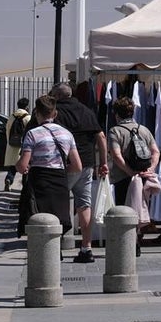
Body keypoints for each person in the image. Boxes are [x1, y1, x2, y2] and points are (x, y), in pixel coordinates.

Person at [47, 82, 107, 263]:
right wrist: (103, 163)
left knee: (57, 204)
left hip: (64, 165)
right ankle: (86, 248)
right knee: (84, 205)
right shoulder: (86, 111)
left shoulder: (56, 112)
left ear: (57, 96)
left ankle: (54, 247)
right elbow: (101, 137)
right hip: (87, 164)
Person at [16, 95, 82, 239]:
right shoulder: (67, 134)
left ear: (37, 113)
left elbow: (22, 166)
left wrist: (19, 165)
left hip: (40, 181)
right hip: (60, 181)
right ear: (55, 113)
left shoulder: (32, 134)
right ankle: (55, 254)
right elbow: (77, 166)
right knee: (57, 222)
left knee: (40, 222)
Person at [106, 96, 161, 255]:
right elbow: (155, 152)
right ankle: (137, 239)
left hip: (123, 177)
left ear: (116, 114)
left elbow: (116, 156)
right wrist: (150, 169)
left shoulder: (115, 131)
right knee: (141, 207)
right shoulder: (144, 129)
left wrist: (130, 172)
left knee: (125, 209)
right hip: (144, 176)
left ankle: (129, 244)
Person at [3, 98, 32, 192]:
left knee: (13, 166)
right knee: (25, 165)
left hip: (12, 144)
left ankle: (9, 179)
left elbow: (7, 130)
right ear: (27, 106)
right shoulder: (28, 118)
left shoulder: (12, 117)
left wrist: (9, 142)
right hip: (23, 145)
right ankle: (25, 186)